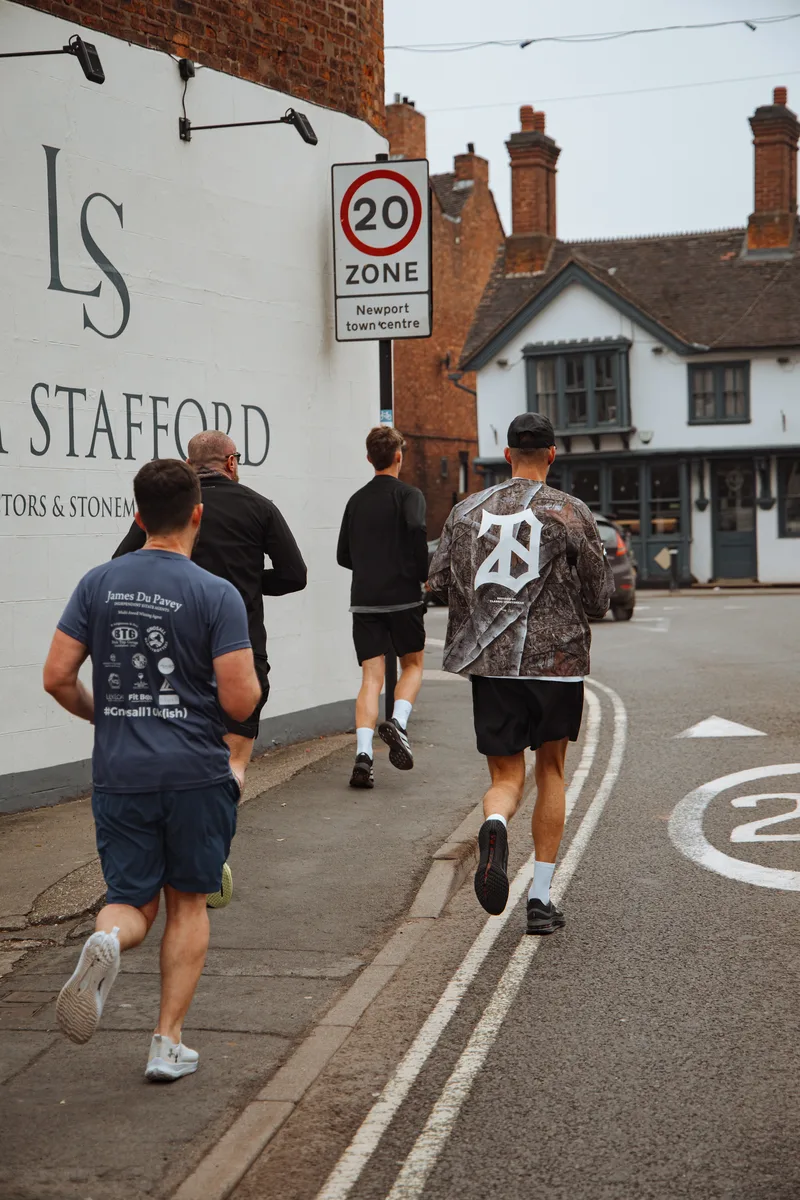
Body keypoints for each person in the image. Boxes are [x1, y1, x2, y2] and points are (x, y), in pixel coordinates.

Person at [43, 459, 262, 1080]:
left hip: (122, 772)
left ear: (136, 516)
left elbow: (57, 677)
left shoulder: (97, 583)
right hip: (195, 770)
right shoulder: (216, 593)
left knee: (130, 904)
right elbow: (242, 700)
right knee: (188, 902)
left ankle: (107, 943)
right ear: (198, 513)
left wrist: (103, 716)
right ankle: (167, 1044)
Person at [428, 413, 613, 934]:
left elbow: (439, 582)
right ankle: (540, 898)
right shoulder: (571, 512)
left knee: (505, 775)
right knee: (551, 770)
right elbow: (600, 598)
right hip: (557, 663)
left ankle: (492, 825)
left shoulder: (466, 511)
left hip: (492, 665)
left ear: (506, 454)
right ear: (552, 455)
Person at [114, 430, 307, 788]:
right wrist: (248, 581)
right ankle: (211, 832)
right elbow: (295, 576)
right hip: (240, 653)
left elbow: (122, 563)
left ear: (188, 465)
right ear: (231, 462)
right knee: (232, 762)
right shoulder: (259, 507)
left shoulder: (168, 509)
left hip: (173, 654)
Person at [337, 426, 428, 788]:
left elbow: (344, 556)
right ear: (399, 456)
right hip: (404, 596)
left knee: (371, 679)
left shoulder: (355, 501)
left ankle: (363, 755)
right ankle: (399, 723)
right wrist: (420, 574)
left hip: (365, 600)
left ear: (368, 458)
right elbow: (417, 528)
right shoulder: (410, 495)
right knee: (414, 665)